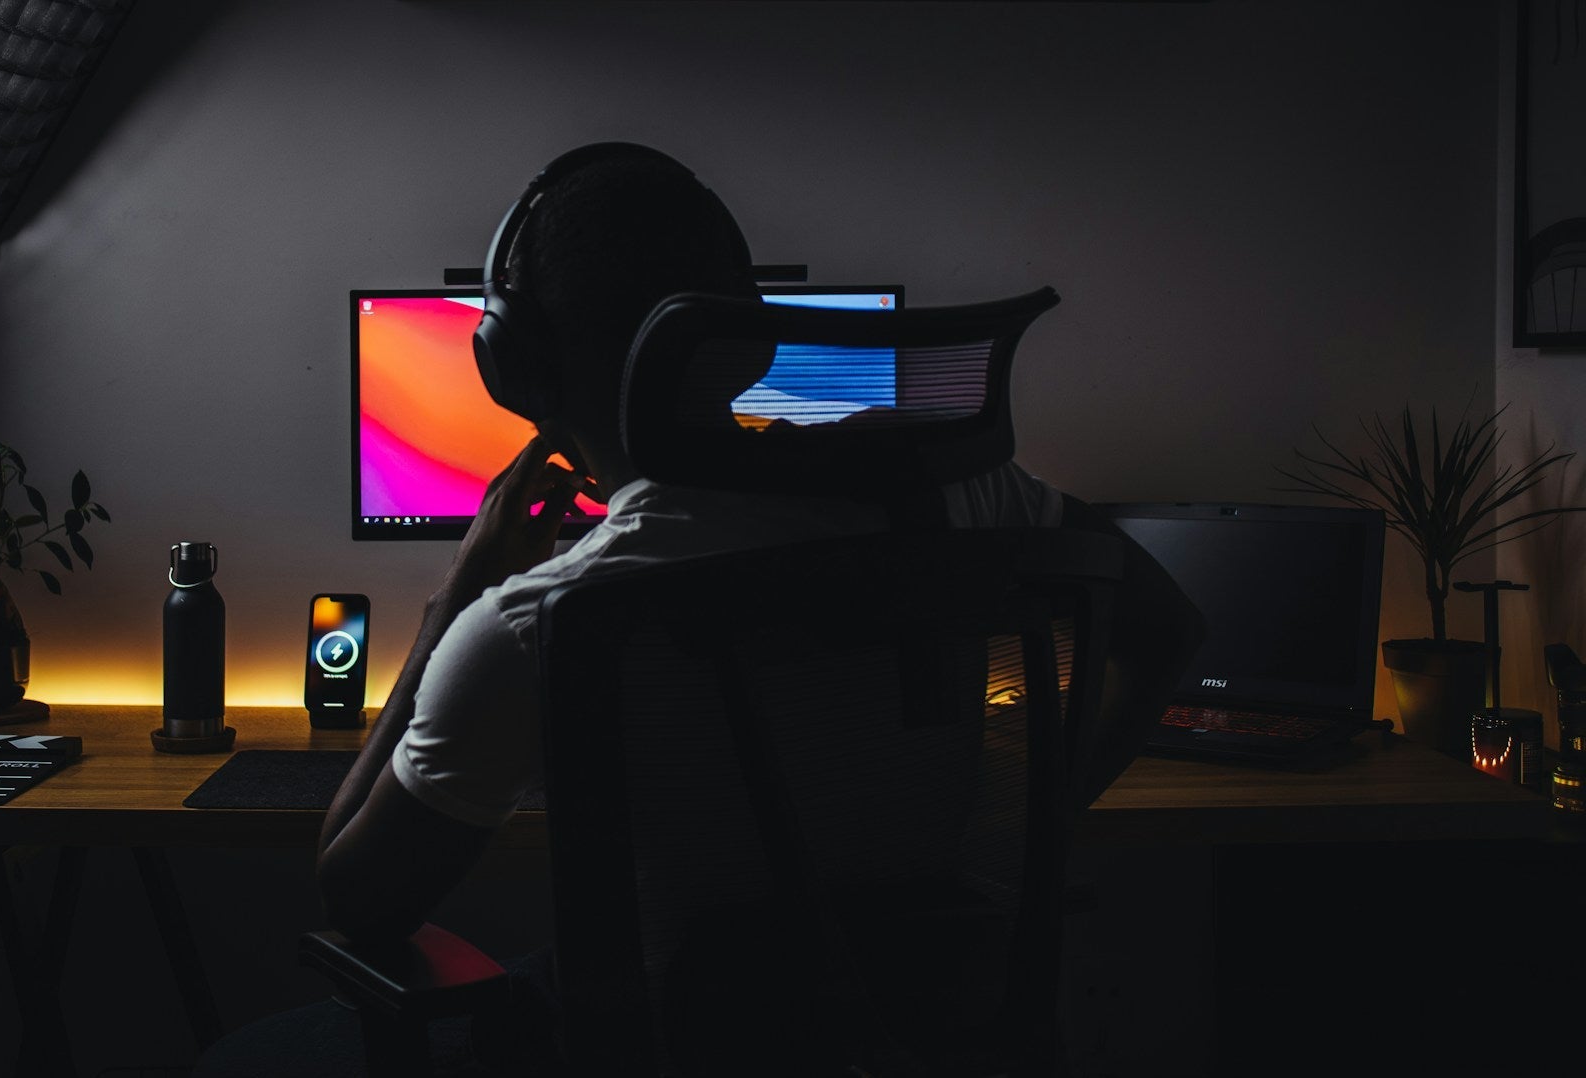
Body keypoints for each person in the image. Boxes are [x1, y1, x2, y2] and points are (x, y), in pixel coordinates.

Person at [197, 141, 1203, 1076]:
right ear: (744, 334)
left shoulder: (537, 621)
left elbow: (361, 897)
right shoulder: (973, 492)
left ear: (513, 363)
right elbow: (1170, 633)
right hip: (936, 1019)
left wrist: (465, 587)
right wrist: (1030, 828)